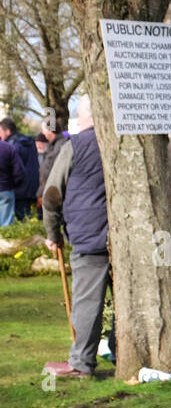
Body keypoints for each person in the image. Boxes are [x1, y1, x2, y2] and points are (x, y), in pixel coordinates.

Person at [41, 97, 111, 379]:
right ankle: (118, 350)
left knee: (86, 301)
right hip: (119, 237)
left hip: (89, 236)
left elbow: (52, 195)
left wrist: (52, 233)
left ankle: (81, 361)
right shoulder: (121, 141)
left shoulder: (77, 145)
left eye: (79, 117)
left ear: (86, 117)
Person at [0, 118, 40, 221]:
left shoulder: (12, 145)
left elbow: (16, 169)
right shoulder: (29, 142)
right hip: (32, 185)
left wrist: (13, 184)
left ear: (7, 131)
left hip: (18, 187)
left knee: (20, 217)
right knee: (26, 217)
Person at [0, 123, 27, 227]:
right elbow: (19, 172)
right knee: (6, 226)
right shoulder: (8, 147)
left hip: (6, 187)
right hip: (5, 189)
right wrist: (13, 185)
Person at [38, 113, 69, 201]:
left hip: (57, 195)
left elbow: (55, 173)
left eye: (43, 130)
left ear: (50, 131)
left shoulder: (61, 146)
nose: (42, 133)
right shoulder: (51, 146)